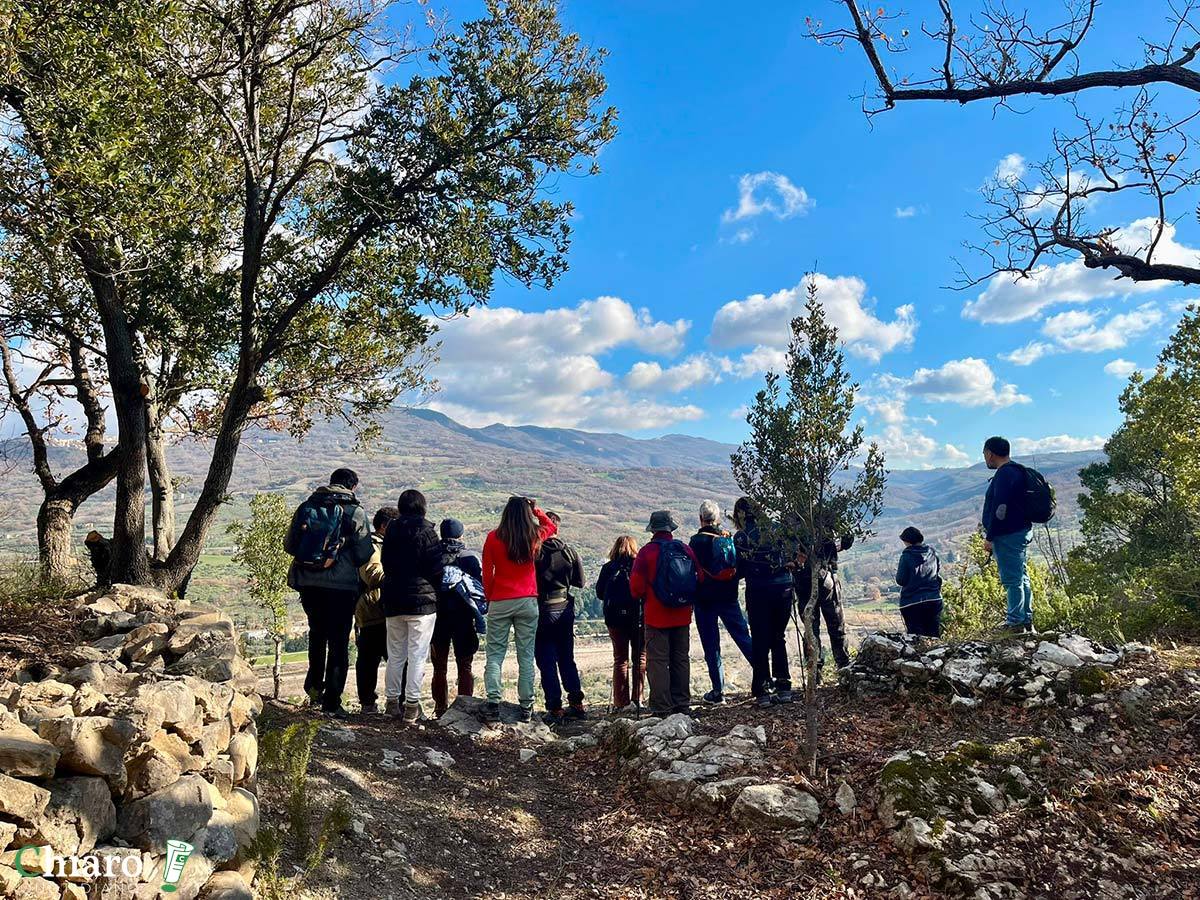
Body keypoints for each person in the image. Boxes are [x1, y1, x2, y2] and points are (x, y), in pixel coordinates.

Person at [284, 468, 374, 718]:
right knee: (338, 641)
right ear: (353, 487)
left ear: (331, 482)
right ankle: (332, 702)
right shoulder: (355, 512)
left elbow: (290, 545)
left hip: (308, 583)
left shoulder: (307, 506)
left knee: (317, 634)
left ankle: (314, 691)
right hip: (342, 588)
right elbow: (363, 554)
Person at [482, 497, 557, 722]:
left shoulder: (493, 537)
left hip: (500, 600)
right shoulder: (533, 536)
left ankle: (493, 703)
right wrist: (537, 510)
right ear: (526, 514)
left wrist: (490, 597)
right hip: (527, 601)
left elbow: (487, 573)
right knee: (525, 655)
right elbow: (551, 526)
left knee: (495, 654)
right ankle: (526, 706)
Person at [380, 489, 441, 722]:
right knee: (417, 655)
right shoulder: (427, 531)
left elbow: (385, 563)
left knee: (395, 654)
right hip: (422, 603)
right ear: (422, 506)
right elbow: (436, 568)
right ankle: (412, 706)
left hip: (393, 599)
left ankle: (391, 703)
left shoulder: (391, 530)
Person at [631, 510, 700, 715]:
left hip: (656, 616)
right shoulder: (685, 549)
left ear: (653, 529)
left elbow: (636, 588)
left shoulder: (646, 553)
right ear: (671, 528)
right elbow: (700, 579)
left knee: (657, 662)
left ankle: (662, 708)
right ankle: (682, 704)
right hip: (682, 614)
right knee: (681, 659)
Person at [733, 497, 796, 709]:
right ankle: (784, 686)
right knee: (778, 637)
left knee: (760, 640)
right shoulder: (777, 529)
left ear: (740, 515)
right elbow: (792, 554)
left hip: (758, 591)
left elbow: (739, 570)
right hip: (783, 589)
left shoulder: (741, 537)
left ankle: (762, 691)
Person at [688, 500, 753, 704]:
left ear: (701, 518)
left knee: (711, 645)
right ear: (716, 518)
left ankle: (718, 691)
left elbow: (692, 571)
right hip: (728, 597)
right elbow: (737, 568)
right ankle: (765, 678)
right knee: (743, 637)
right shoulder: (727, 538)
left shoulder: (695, 542)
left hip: (704, 600)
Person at [534, 511, 587, 723]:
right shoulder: (569, 551)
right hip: (564, 608)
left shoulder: (535, 553)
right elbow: (580, 582)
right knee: (566, 658)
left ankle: (555, 707)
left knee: (546, 660)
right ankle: (576, 702)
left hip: (542, 610)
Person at [428, 518, 483, 718]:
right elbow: (479, 588)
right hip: (464, 618)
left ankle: (440, 709)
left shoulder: (431, 557)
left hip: (437, 618)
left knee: (439, 667)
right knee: (465, 666)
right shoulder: (470, 558)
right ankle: (465, 709)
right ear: (461, 535)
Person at [981, 435, 1034, 632]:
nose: (985, 458)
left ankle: (1015, 623)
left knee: (1012, 580)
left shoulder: (1004, 474)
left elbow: (1000, 508)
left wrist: (990, 536)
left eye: (985, 454)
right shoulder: (1017, 471)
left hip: (1008, 534)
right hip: (1021, 531)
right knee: (1021, 577)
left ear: (990, 453)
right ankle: (1026, 619)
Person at [793, 525, 854, 677]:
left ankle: (816, 672)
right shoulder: (827, 518)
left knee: (812, 629)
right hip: (824, 577)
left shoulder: (792, 520)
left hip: (805, 580)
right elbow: (847, 538)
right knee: (834, 625)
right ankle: (841, 668)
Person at [355, 506, 399, 715]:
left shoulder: (385, 545)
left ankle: (393, 701)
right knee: (369, 660)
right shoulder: (372, 546)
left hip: (384, 610)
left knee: (392, 659)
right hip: (373, 610)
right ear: (384, 526)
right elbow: (372, 574)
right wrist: (401, 577)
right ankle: (368, 703)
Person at [596, 536, 644, 712]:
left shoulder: (608, 567)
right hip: (638, 618)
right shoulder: (639, 565)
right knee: (640, 659)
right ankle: (637, 699)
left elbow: (600, 593)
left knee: (620, 660)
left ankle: (620, 702)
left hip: (615, 620)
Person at [895, 526, 943, 637]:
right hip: (934, 599)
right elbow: (937, 572)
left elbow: (901, 580)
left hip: (911, 602)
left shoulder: (906, 556)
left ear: (907, 541)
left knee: (916, 637)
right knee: (933, 635)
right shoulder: (932, 553)